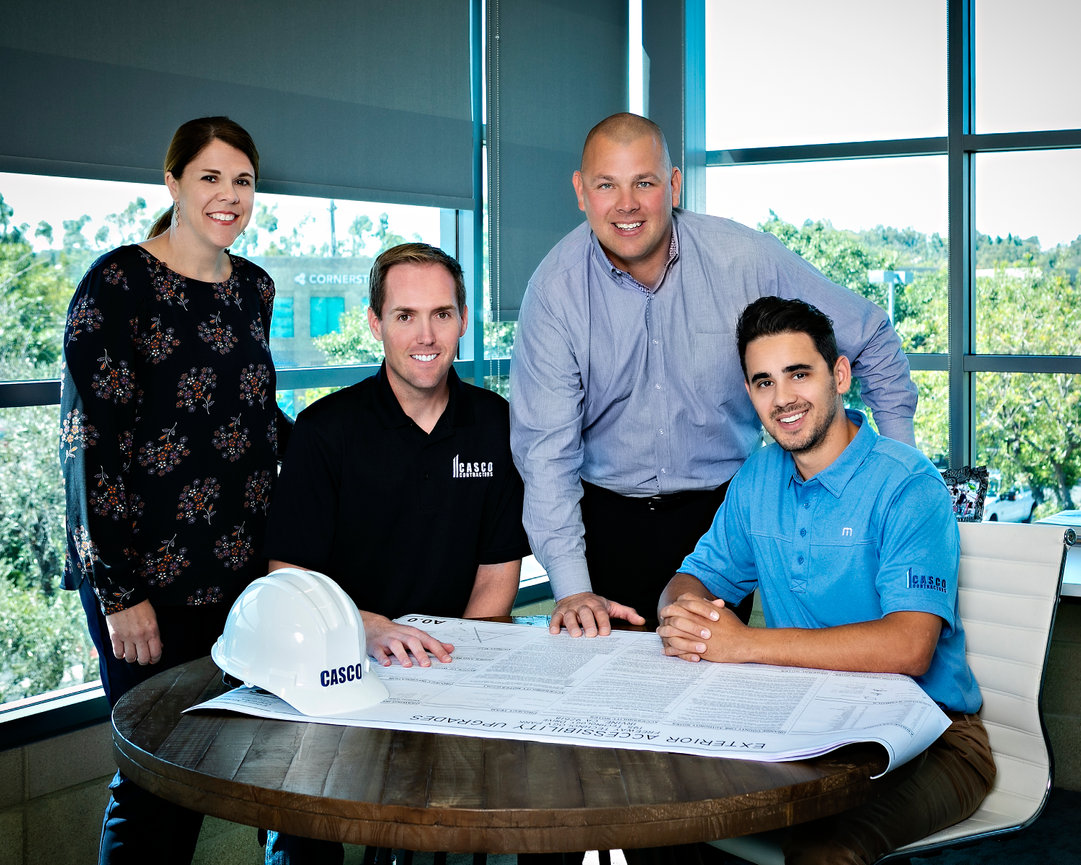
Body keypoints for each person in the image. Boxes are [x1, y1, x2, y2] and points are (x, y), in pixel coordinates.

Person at [510, 112, 918, 639]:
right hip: (604, 520)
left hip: (722, 514)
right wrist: (570, 587)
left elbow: (872, 337)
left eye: (644, 182)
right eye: (607, 185)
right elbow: (546, 454)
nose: (626, 204)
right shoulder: (554, 291)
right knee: (612, 679)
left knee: (714, 672)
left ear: (674, 185)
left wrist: (899, 475)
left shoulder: (746, 260)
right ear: (580, 191)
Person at [657, 296, 996, 865]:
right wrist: (684, 616)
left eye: (799, 374)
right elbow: (692, 577)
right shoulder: (757, 477)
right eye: (764, 382)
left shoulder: (908, 484)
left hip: (934, 735)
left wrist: (743, 643)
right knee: (663, 792)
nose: (783, 398)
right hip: (804, 722)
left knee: (824, 851)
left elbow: (910, 647)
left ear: (839, 376)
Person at [60, 116, 289, 864]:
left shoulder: (253, 287)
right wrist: (119, 592)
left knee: (252, 762)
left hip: (242, 572)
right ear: (172, 183)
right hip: (146, 580)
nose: (229, 195)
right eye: (209, 177)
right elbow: (88, 446)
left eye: (243, 181)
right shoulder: (117, 284)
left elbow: (256, 417)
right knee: (157, 784)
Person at [262, 242, 531, 863]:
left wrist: (458, 665)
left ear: (463, 321)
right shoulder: (325, 431)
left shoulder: (496, 424)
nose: (425, 335)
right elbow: (289, 578)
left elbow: (498, 570)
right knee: (308, 837)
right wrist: (369, 628)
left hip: (450, 669)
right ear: (375, 323)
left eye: (442, 314)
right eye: (405, 315)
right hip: (340, 668)